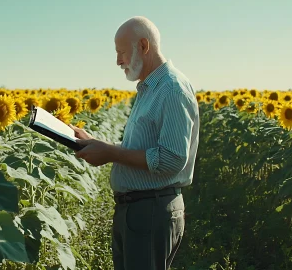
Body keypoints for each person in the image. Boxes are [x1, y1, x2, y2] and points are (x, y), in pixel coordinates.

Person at [69, 16, 200, 270]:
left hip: (151, 209)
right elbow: (144, 146)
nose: (118, 61)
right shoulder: (150, 88)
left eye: (121, 53)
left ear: (143, 45)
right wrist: (96, 143)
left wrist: (110, 154)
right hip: (137, 210)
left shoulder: (171, 89)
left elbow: (172, 159)